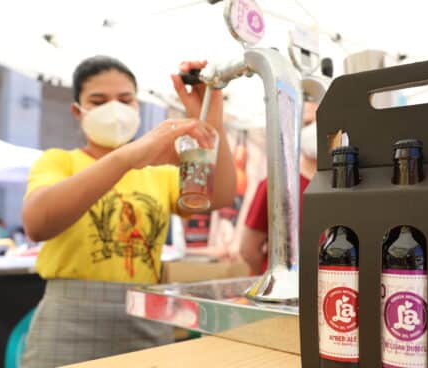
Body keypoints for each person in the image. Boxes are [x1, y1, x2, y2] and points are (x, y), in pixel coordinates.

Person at [20, 56, 236, 367]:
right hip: (68, 318)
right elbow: (37, 223)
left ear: (137, 105)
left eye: (125, 99)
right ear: (77, 111)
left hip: (143, 313)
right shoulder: (59, 162)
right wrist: (125, 159)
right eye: (98, 100)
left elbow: (220, 194)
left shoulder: (158, 170)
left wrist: (209, 115)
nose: (114, 109)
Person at [239, 102, 318, 275]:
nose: (314, 130)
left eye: (319, 123)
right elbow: (248, 249)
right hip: (282, 292)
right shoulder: (275, 185)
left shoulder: (342, 187)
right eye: (307, 123)